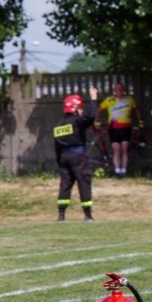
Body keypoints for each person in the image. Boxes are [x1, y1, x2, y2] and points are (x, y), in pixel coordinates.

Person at [54, 87, 99, 221]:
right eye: (80, 108)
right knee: (83, 182)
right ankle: (87, 215)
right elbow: (90, 116)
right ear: (75, 109)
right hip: (78, 156)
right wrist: (93, 99)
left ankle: (61, 215)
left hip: (64, 157)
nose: (82, 110)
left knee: (65, 184)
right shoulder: (77, 122)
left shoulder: (58, 125)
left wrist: (60, 162)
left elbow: (56, 146)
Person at [95, 82, 144, 178]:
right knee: (116, 150)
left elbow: (137, 110)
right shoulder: (109, 100)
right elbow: (99, 110)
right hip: (113, 128)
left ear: (124, 90)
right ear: (114, 90)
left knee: (125, 149)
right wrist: (96, 121)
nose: (119, 91)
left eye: (121, 89)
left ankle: (124, 170)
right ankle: (117, 171)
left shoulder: (129, 99)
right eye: (117, 89)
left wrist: (140, 121)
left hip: (126, 128)